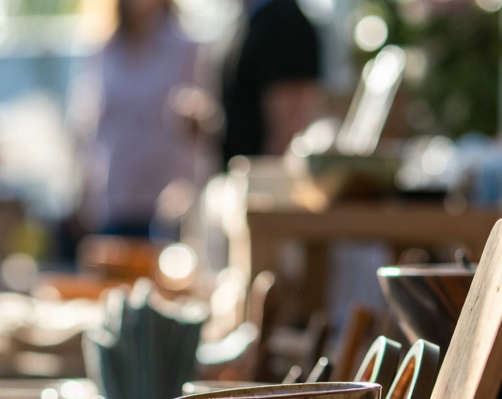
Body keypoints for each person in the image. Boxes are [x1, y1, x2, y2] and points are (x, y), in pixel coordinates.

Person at [70, 0, 211, 238]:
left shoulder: (187, 49)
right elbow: (88, 129)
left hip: (169, 204)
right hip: (115, 201)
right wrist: (82, 195)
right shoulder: (105, 51)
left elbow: (204, 128)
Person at [220, 0, 323, 163]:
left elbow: (289, 125)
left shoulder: (283, 20)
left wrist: (268, 183)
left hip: (261, 178)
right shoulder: (254, 18)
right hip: (245, 172)